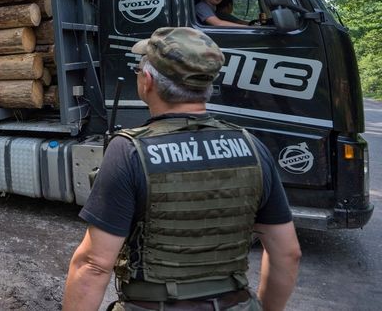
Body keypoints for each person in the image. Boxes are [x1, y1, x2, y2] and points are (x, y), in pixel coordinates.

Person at [63, 27, 300, 311]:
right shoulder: (253, 147)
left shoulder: (129, 152)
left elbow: (93, 265)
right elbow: (287, 254)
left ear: (147, 81)